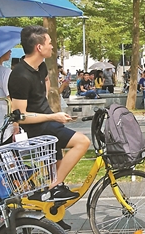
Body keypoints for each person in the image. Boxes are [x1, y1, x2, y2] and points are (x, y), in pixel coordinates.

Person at [8, 26, 90, 214]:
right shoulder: (19, 75)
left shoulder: (41, 66)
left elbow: (43, 88)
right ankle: (53, 187)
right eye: (50, 43)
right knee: (82, 142)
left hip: (48, 122)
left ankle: (54, 217)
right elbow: (20, 117)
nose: (53, 46)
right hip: (37, 128)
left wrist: (51, 112)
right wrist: (53, 116)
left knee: (58, 168)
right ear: (39, 47)